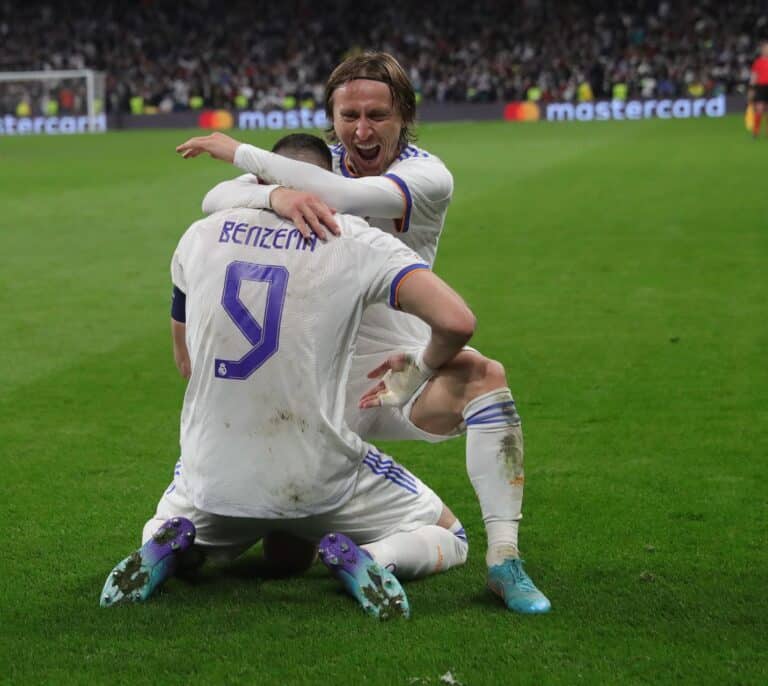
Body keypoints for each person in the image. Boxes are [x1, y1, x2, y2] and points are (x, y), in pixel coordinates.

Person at [175, 52, 550, 614]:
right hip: (309, 376)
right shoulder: (310, 167)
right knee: (284, 556)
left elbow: (346, 198)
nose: (361, 130)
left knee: (483, 377)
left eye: (377, 115)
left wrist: (243, 156)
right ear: (332, 116)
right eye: (348, 115)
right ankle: (352, 551)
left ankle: (505, 558)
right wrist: (273, 193)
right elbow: (215, 200)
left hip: (398, 369)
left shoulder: (426, 175)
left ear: (404, 116)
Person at [100, 134, 473, 620]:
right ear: (327, 182)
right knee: (452, 535)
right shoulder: (359, 241)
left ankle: (170, 546)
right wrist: (417, 368)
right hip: (316, 475)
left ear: (255, 182)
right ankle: (375, 558)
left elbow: (184, 354)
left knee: (190, 525)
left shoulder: (199, 235)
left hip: (210, 474)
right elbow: (457, 322)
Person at [749, 42, 768, 139]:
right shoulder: (758, 62)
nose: (766, 50)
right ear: (762, 50)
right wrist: (752, 89)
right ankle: (755, 132)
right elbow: (754, 76)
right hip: (761, 87)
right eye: (765, 49)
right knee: (759, 109)